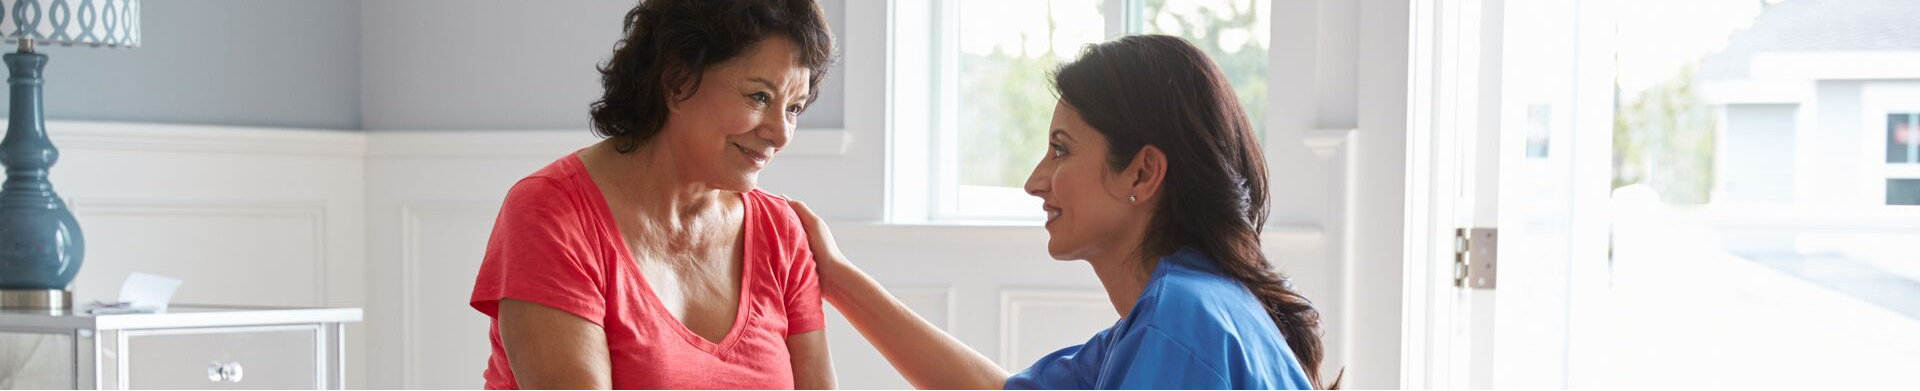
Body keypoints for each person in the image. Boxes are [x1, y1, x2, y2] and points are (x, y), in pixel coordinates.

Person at [790, 35, 1334, 389]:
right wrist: (836, 279)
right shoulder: (1176, 313)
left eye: (1061, 149)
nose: (1034, 181)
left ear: (1142, 174)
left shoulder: (1180, 325)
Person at [467, 0, 836, 388]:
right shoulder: (552, 213)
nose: (780, 134)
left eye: (794, 108)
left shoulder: (781, 231)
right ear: (678, 81)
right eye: (759, 97)